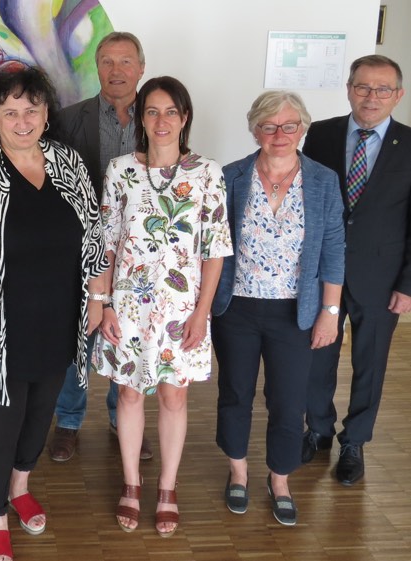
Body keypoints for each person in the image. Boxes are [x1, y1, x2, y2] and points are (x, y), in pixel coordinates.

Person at [0, 68, 107, 561]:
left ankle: (20, 485)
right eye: (10, 112)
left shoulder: (68, 163)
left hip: (60, 317)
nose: (22, 121)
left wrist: (98, 298)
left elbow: (93, 237)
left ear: (46, 112)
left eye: (31, 110)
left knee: (40, 412)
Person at [92, 76, 231, 537]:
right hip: (128, 307)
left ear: (184, 117)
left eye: (171, 111)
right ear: (141, 117)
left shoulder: (207, 173)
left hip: (182, 309)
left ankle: (167, 487)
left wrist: (201, 313)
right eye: (152, 111)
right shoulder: (120, 170)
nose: (162, 120)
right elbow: (107, 243)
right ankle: (131, 483)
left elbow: (214, 250)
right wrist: (105, 304)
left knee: (174, 396)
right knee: (129, 395)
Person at [212, 91, 345, 526]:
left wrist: (330, 312)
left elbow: (334, 249)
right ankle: (238, 471)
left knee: (288, 401)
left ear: (302, 129)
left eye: (289, 126)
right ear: (255, 130)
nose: (279, 134)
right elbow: (212, 246)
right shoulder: (231, 176)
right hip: (236, 308)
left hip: (296, 312)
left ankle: (280, 479)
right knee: (235, 393)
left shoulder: (322, 180)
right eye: (269, 126)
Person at [301, 54, 411, 486]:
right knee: (317, 356)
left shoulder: (410, 143)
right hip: (323, 271)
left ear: (397, 95)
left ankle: (355, 443)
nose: (371, 97)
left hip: (381, 277)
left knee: (370, 362)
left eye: (383, 89)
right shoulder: (321, 134)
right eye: (363, 87)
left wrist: (407, 284)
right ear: (349, 89)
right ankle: (318, 430)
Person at [50, 30, 154, 463]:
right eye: (107, 61)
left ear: (141, 68)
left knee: (127, 334)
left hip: (140, 253)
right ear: (96, 68)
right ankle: (68, 421)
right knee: (78, 334)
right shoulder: (68, 119)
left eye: (126, 61)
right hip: (80, 249)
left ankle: (121, 418)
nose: (116, 70)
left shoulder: (157, 118)